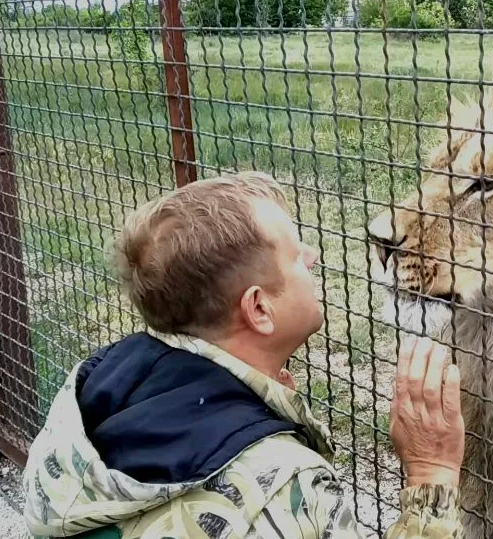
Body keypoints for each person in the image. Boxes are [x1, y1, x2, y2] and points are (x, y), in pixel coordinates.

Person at [21, 171, 466, 539]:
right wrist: (431, 477)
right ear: (258, 309)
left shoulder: (92, 386)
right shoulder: (285, 489)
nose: (312, 257)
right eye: (295, 255)